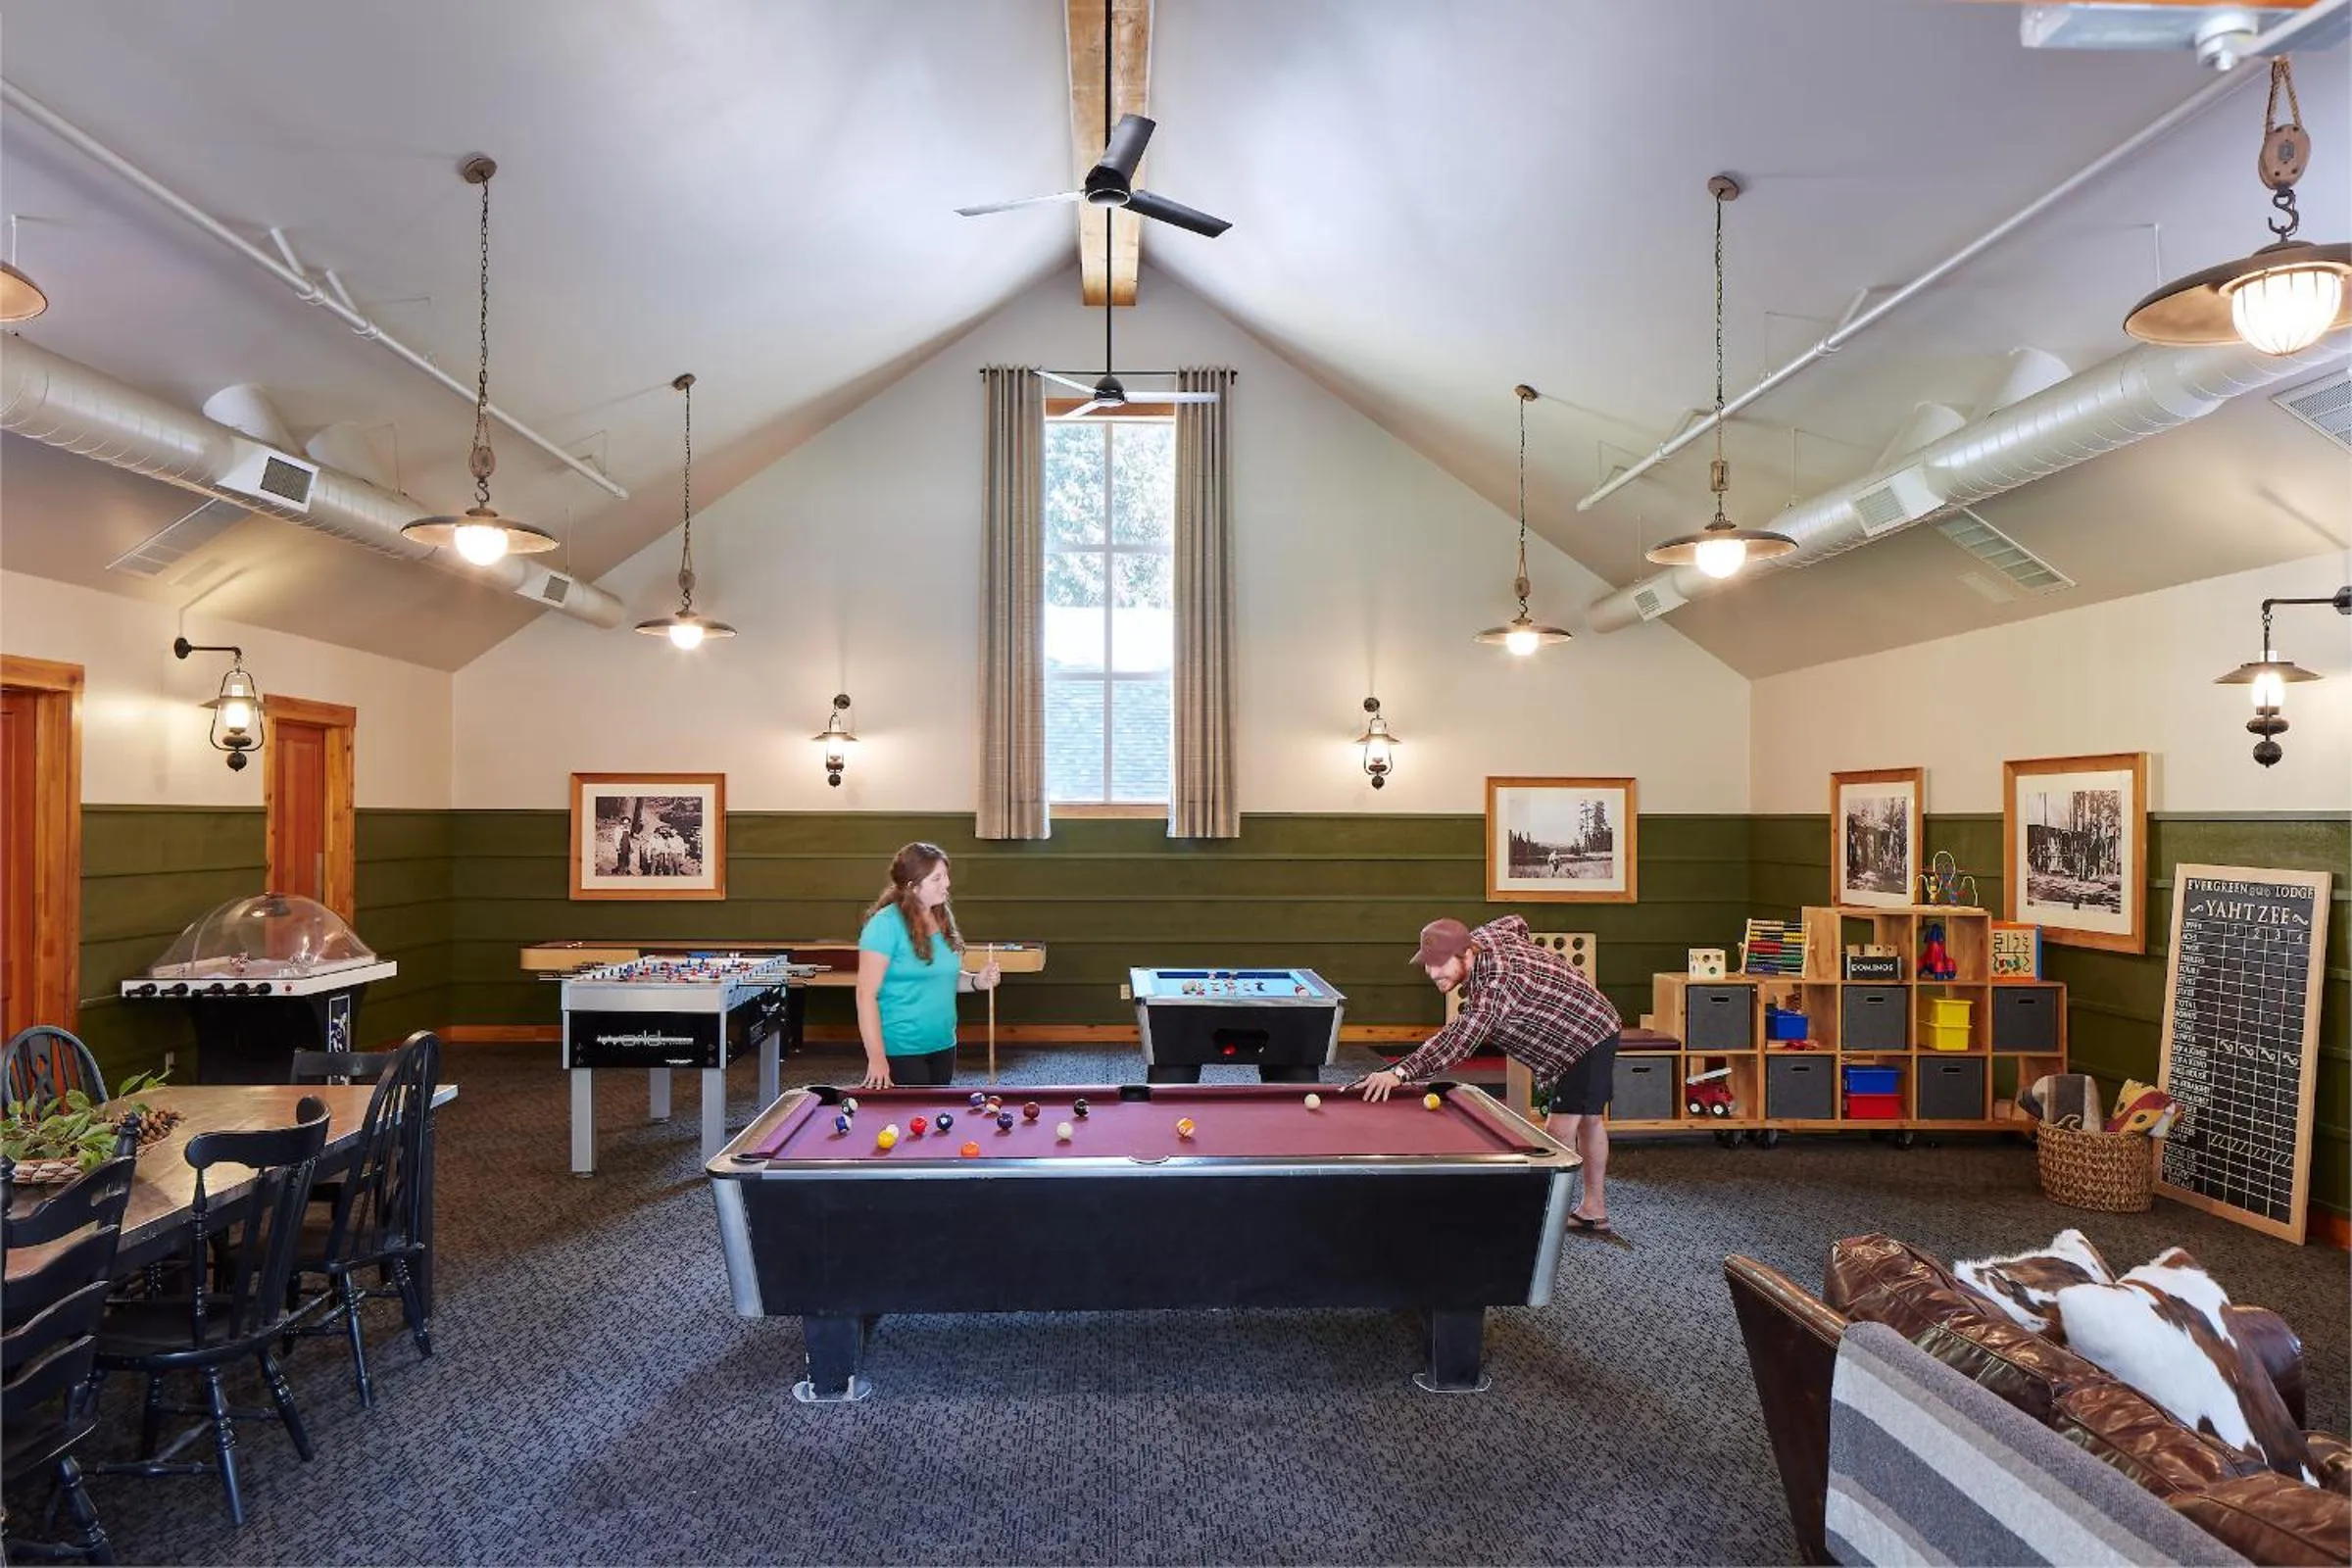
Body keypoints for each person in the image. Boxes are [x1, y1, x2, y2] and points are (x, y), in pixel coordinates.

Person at [1351, 915, 1623, 1234]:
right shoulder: (1483, 937)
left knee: (1558, 1132)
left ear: (1466, 954)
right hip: (1579, 1028)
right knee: (1589, 1120)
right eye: (1428, 964)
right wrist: (1536, 970)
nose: (1432, 973)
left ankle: (1543, 1216)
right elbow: (1516, 922)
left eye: (1440, 965)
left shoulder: (1497, 987)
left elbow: (1459, 1040)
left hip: (1586, 1033)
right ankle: (1594, 1210)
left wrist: (1399, 1073)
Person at [856, 842, 1000, 1090]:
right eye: (937, 878)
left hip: (944, 1044)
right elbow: (865, 995)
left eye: (946, 875)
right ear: (913, 886)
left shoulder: (941, 916)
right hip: (901, 1050)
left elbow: (944, 978)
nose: (947, 884)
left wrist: (977, 981)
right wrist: (877, 1058)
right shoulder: (884, 925)